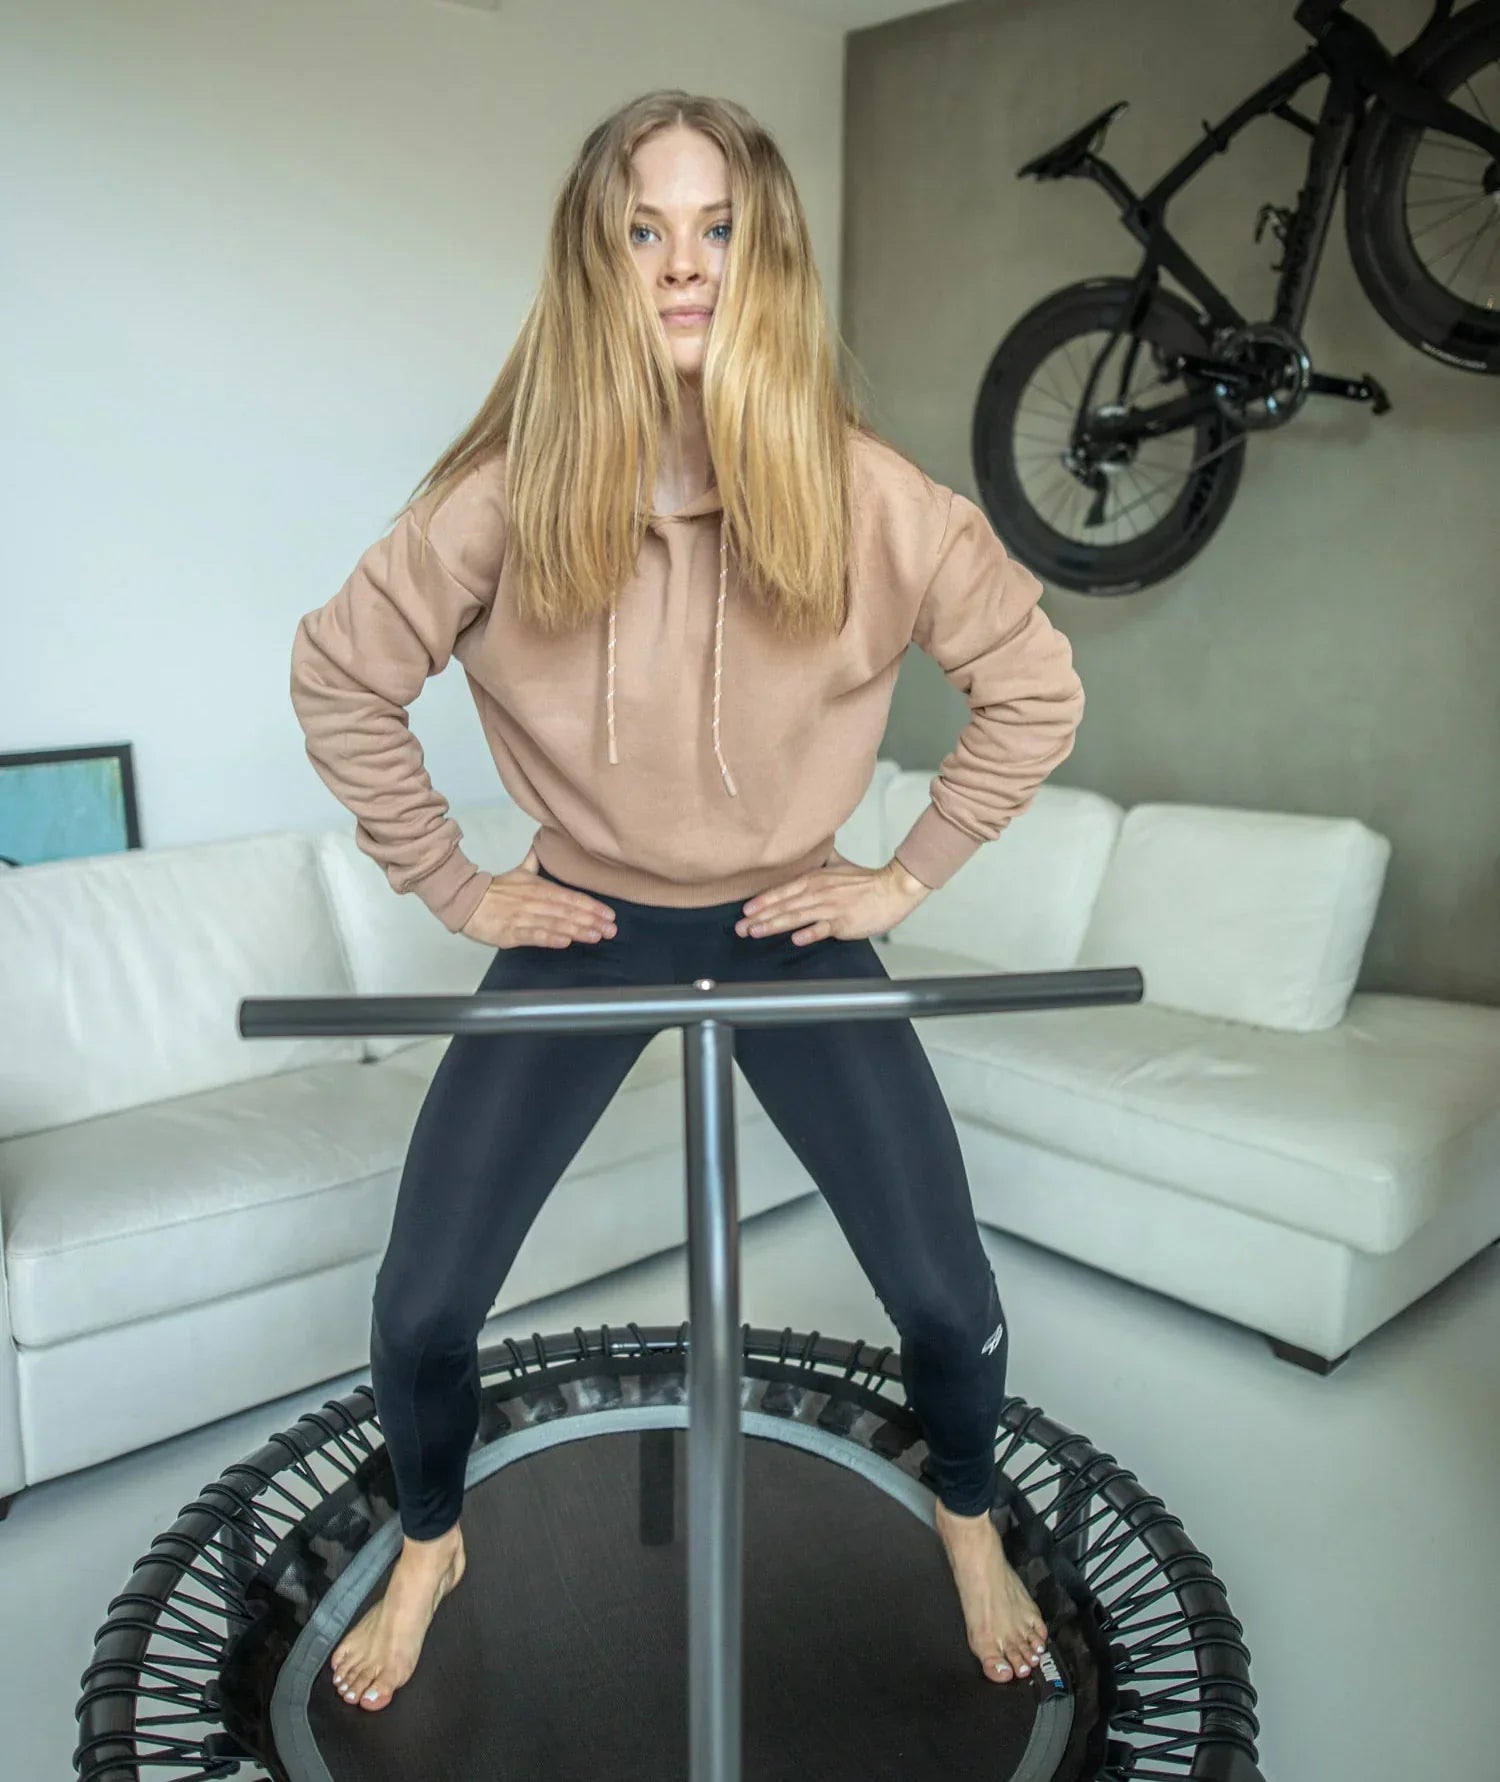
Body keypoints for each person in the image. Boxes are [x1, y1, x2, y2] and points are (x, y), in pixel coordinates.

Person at [290, 89, 1084, 1717]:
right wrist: (457, 884)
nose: (683, 264)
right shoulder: (507, 494)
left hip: (790, 924)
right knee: (424, 1303)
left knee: (947, 1296)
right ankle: (432, 1539)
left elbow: (1035, 690)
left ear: (765, 251)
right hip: (584, 923)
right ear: (595, 261)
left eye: (716, 227)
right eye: (643, 229)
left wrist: (905, 870)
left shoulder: (873, 495)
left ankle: (966, 1512)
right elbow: (338, 676)